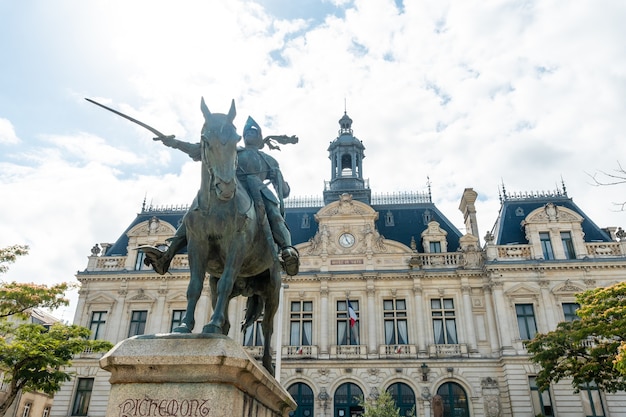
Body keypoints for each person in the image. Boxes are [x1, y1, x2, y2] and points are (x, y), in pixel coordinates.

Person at [143, 116, 299, 276]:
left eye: (253, 132)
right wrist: (174, 143)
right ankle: (167, 255)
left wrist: (279, 178)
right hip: (231, 191)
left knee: (274, 214)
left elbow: (284, 192)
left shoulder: (269, 160)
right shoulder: (232, 150)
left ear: (259, 136)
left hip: (258, 193)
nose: (249, 135)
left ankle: (288, 251)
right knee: (196, 211)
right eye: (246, 132)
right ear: (242, 137)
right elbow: (200, 149)